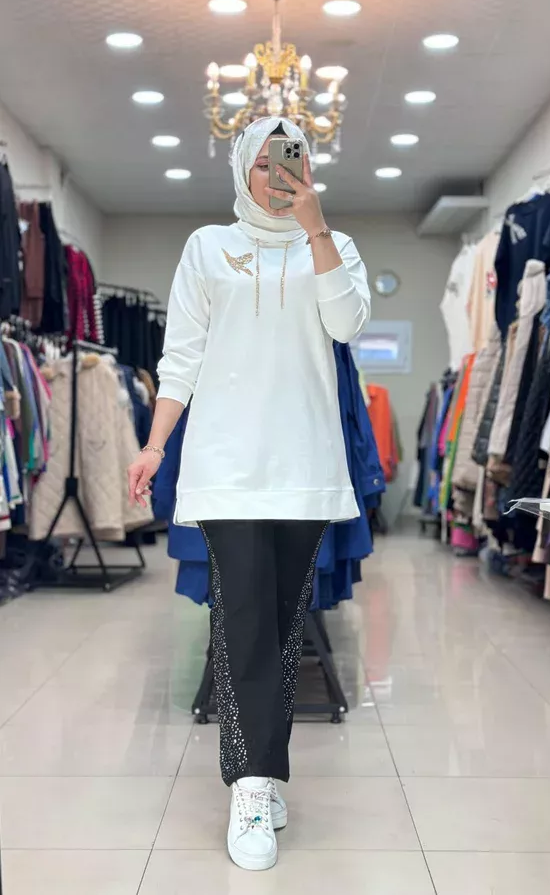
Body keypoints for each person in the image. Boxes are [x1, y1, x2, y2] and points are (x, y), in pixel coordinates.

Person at [127, 116, 370, 871]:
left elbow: (347, 323)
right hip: (226, 467)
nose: (276, 175)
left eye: (290, 161)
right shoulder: (206, 247)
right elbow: (181, 356)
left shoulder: (335, 244)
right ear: (241, 169)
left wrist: (316, 228)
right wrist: (154, 444)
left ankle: (263, 764)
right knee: (243, 624)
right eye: (263, 163)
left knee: (282, 623)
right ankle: (252, 784)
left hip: (303, 465)